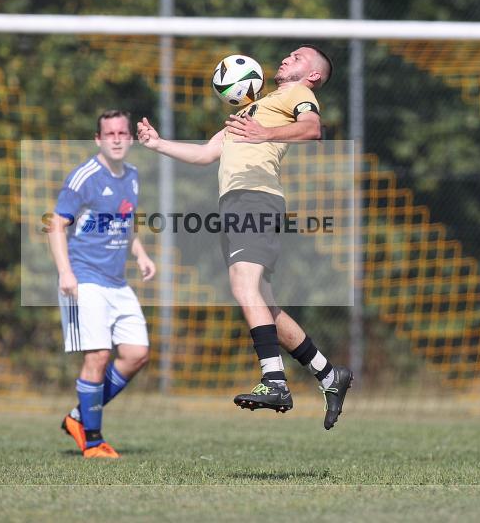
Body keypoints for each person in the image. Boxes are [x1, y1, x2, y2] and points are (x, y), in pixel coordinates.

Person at [137, 45, 353, 430]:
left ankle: (275, 381)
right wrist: (157, 145)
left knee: (244, 286)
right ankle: (328, 375)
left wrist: (263, 133)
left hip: (256, 199)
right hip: (236, 202)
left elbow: (313, 129)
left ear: (313, 75)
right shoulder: (254, 106)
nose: (287, 58)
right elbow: (206, 154)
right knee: (265, 305)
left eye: (298, 57)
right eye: (288, 54)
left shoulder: (299, 93)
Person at [48, 110, 156, 458]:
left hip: (116, 281)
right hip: (85, 278)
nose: (117, 138)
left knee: (137, 354)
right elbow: (55, 225)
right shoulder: (85, 177)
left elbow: (125, 223)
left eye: (123, 132)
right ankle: (92, 440)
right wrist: (65, 272)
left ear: (130, 138)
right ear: (98, 139)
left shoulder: (133, 176)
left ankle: (79, 416)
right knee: (99, 354)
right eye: (109, 133)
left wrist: (140, 253)